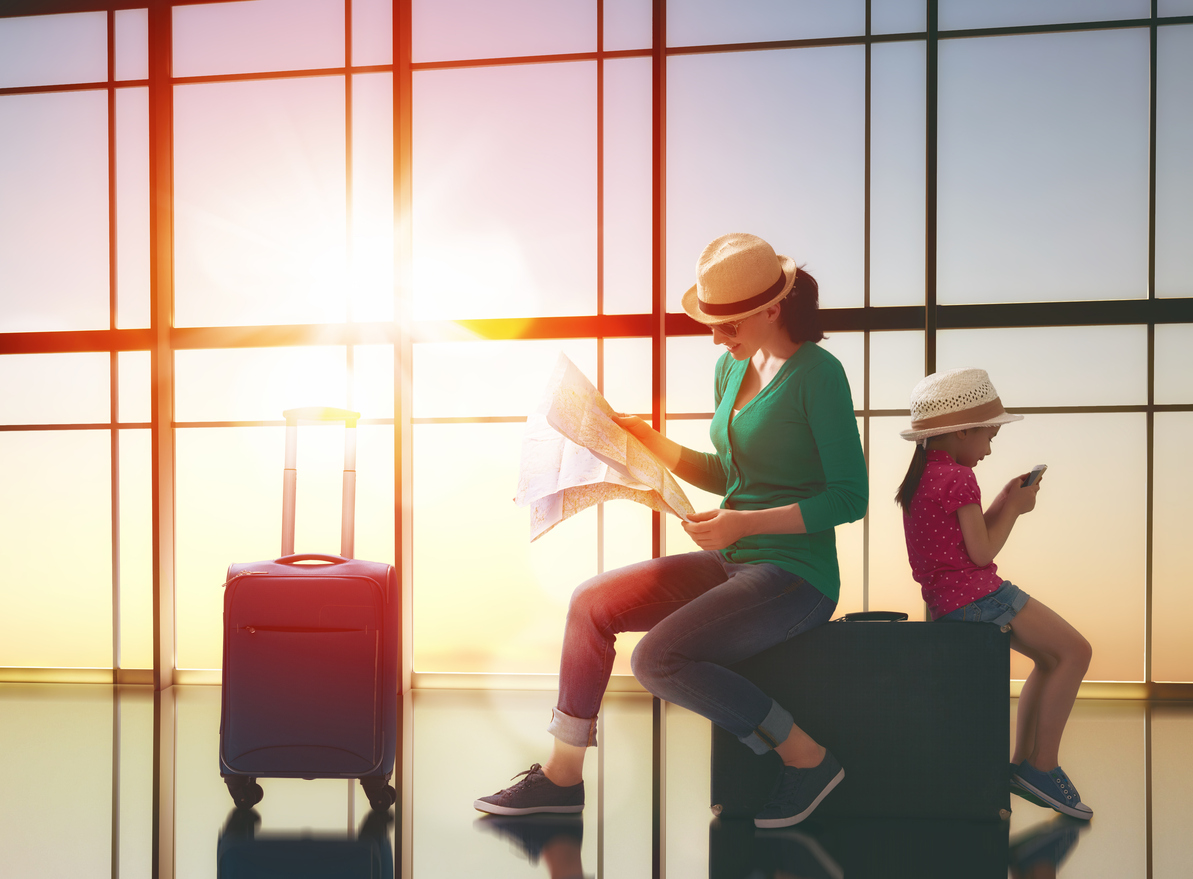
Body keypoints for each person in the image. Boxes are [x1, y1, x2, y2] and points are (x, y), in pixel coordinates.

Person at [475, 232, 868, 828]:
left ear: (772, 308)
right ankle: (562, 776)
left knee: (658, 660)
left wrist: (744, 521)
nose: (717, 336)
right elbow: (729, 472)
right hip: (734, 558)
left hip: (796, 576)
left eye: (730, 324)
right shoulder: (730, 372)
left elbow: (850, 497)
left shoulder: (819, 374)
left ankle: (807, 759)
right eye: (713, 322)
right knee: (590, 603)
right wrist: (647, 443)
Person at [896, 368, 1093, 820]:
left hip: (948, 603)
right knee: (1075, 651)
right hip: (981, 596)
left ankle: (1025, 766)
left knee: (1050, 658)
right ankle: (1041, 765)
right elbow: (981, 553)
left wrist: (1005, 499)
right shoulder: (960, 477)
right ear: (961, 430)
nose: (989, 448)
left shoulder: (923, 477)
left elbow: (959, 544)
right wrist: (1017, 511)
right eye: (988, 435)